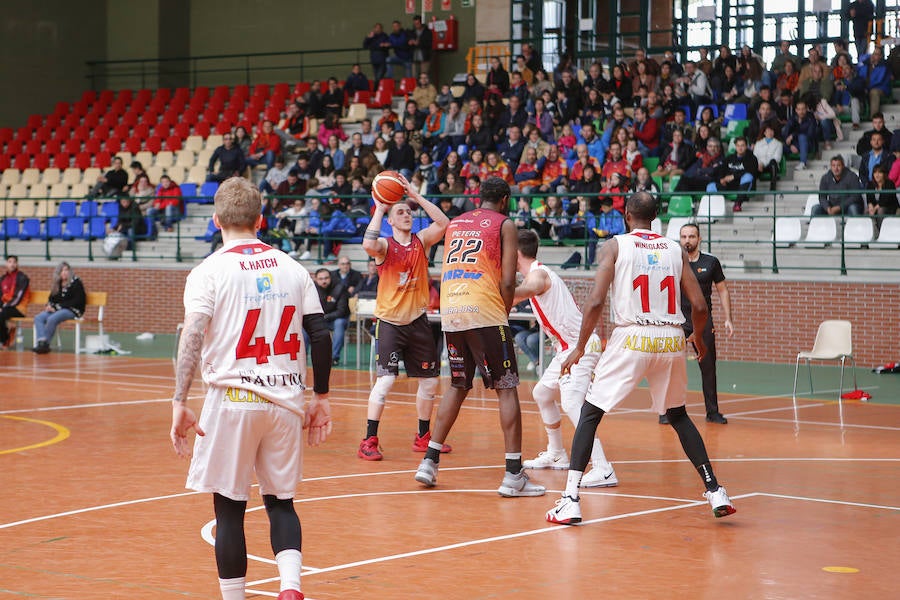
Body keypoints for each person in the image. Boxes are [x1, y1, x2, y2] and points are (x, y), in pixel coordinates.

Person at [170, 177, 333, 600]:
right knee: (281, 502)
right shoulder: (293, 267)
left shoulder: (208, 271)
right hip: (285, 401)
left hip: (232, 401)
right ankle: (291, 587)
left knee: (229, 511)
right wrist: (322, 397)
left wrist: (179, 400)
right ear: (261, 219)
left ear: (216, 220)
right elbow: (320, 334)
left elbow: (191, 337)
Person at [545, 192, 736, 525]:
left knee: (589, 413)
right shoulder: (675, 249)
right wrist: (699, 340)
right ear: (657, 216)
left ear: (626, 214)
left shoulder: (616, 246)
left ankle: (570, 498)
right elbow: (701, 306)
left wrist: (578, 347)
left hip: (633, 334)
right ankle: (716, 490)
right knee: (678, 415)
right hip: (671, 337)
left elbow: (594, 302)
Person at [414, 176, 546, 498]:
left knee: (458, 384)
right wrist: (503, 310)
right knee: (506, 388)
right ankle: (514, 474)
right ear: (504, 200)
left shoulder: (457, 223)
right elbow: (507, 280)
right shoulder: (505, 223)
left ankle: (429, 462)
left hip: (452, 308)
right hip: (484, 310)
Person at [515, 230, 618, 487]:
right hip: (567, 347)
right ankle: (557, 453)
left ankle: (603, 468)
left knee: (572, 403)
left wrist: (499, 289)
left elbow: (530, 288)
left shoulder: (538, 274)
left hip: (579, 346)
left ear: (515, 253)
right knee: (542, 393)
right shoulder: (536, 272)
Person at [358, 177, 450, 460]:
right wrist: (380, 208)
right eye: (401, 212)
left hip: (418, 321)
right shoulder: (384, 246)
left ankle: (423, 436)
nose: (407, 214)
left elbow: (444, 224)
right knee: (385, 382)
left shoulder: (421, 241)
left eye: (409, 212)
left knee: (429, 383)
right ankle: (369, 440)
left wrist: (415, 196)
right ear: (391, 220)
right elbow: (367, 244)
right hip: (389, 324)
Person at [664, 223, 733, 425]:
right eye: (684, 236)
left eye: (692, 236)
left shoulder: (711, 262)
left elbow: (723, 290)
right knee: (670, 366)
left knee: (708, 366)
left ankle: (713, 412)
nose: (687, 240)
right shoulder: (673, 262)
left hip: (702, 321)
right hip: (677, 319)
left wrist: (729, 318)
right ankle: (665, 411)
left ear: (699, 238)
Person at [32, 262, 86, 354]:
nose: (64, 272)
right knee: (39, 318)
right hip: (57, 310)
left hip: (72, 310)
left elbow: (77, 301)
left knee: (52, 318)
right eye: (62, 270)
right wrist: (49, 306)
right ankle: (41, 341)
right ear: (58, 273)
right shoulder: (57, 283)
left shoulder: (76, 282)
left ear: (70, 271)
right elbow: (51, 298)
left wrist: (57, 307)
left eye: (66, 270)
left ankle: (45, 344)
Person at [312, 268, 351, 365]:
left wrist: (325, 317)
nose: (324, 281)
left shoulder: (340, 288)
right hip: (319, 319)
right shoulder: (311, 289)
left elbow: (341, 311)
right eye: (320, 279)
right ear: (316, 279)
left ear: (331, 278)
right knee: (304, 326)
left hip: (336, 319)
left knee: (339, 323)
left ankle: (334, 357)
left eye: (326, 278)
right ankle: (303, 357)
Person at [0, 255, 30, 349]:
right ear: (6, 264)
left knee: (2, 314)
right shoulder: (3, 279)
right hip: (6, 308)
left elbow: (18, 297)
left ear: (17, 264)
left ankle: (4, 340)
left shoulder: (22, 278)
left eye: (14, 262)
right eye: (10, 262)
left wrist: (3, 307)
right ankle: (7, 333)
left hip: (19, 308)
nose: (12, 264)